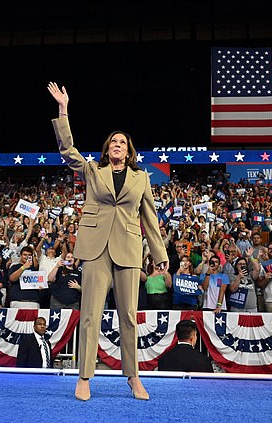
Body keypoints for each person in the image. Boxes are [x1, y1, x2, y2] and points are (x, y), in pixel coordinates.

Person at [49, 81, 168, 402]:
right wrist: (64, 110)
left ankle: (133, 377)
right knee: (90, 314)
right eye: (113, 141)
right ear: (107, 148)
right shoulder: (92, 170)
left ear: (129, 151)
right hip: (96, 248)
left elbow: (150, 216)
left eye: (123, 142)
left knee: (129, 315)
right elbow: (66, 151)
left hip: (128, 250)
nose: (117, 144)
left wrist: (159, 252)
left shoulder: (141, 178)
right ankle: (84, 376)